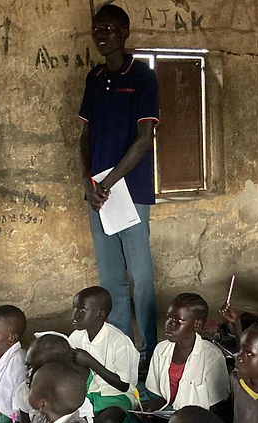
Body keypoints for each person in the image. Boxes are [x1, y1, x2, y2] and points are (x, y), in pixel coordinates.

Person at [79, 4, 159, 364]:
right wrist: (88, 180)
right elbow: (85, 135)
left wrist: (109, 182)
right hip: (98, 193)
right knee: (112, 279)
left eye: (110, 29)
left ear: (125, 33)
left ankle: (151, 352)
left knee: (140, 279)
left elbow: (144, 139)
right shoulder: (94, 78)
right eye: (97, 29)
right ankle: (124, 351)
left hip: (130, 190)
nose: (102, 35)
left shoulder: (142, 77)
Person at [68, 286, 140, 423]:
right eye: (74, 309)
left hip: (115, 395)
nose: (75, 315)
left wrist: (90, 362)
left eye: (82, 310)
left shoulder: (118, 341)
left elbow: (123, 385)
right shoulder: (76, 336)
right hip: (88, 394)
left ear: (100, 315)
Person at [143, 293, 230, 410]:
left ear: (197, 325)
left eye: (179, 320)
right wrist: (154, 405)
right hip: (168, 412)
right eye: (168, 317)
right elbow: (162, 394)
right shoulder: (161, 349)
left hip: (198, 419)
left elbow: (218, 405)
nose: (170, 324)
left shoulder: (212, 357)